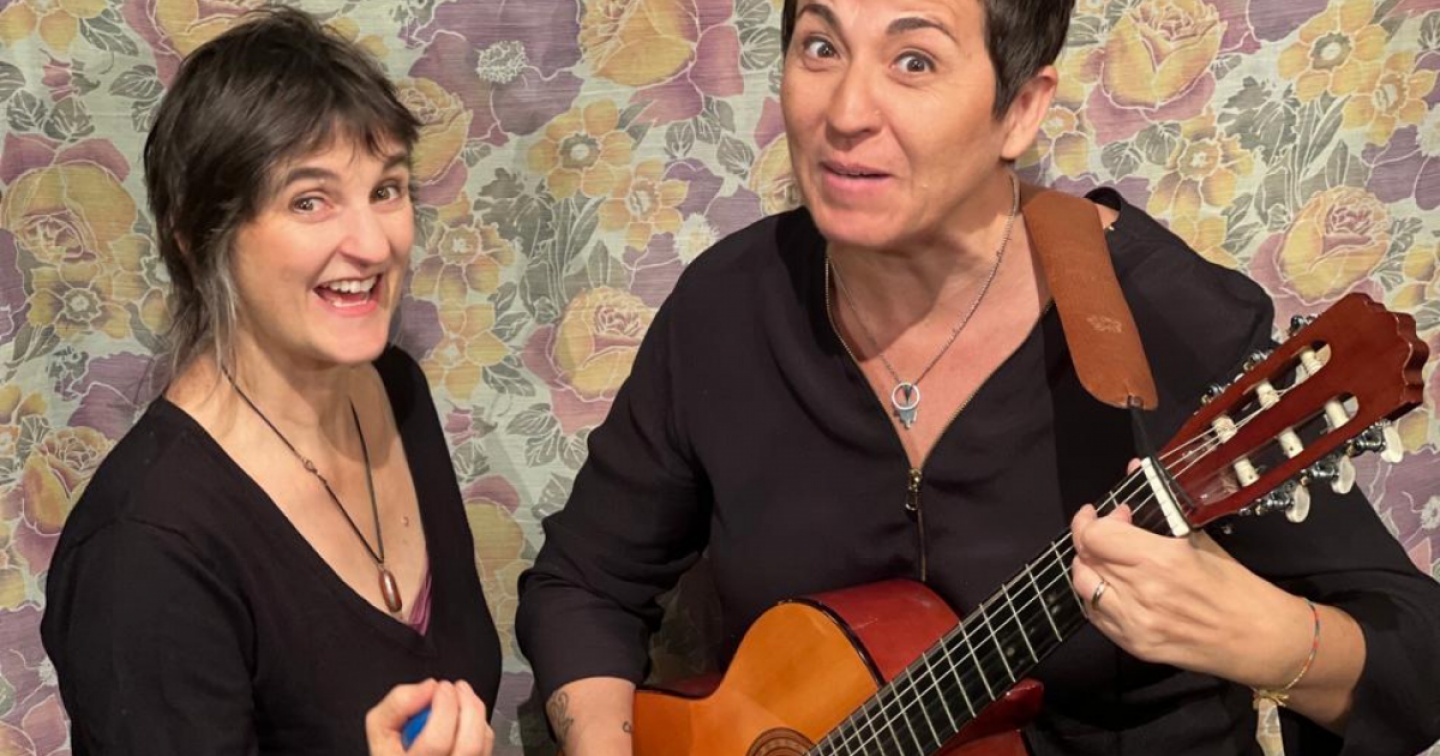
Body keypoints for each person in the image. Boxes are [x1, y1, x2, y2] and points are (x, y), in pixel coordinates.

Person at [514, 0, 1440, 753]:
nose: (846, 111)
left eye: (913, 60)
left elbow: (1421, 659)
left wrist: (1269, 639)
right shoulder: (726, 307)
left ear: (1022, 108)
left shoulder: (1166, 319)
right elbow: (584, 581)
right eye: (821, 46)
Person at [41, 8, 499, 755]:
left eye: (387, 189)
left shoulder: (395, 390)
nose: (373, 243)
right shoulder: (144, 551)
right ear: (199, 238)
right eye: (309, 200)